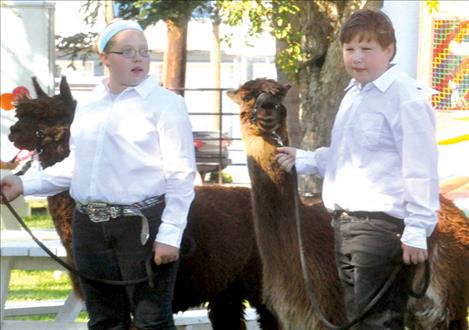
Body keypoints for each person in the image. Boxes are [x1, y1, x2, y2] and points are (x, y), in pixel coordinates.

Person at [1, 19, 197, 330]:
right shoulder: (91, 103)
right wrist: (24, 183)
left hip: (141, 227)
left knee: (151, 322)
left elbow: (181, 175)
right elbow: (77, 166)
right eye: (128, 51)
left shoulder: (167, 105)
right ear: (105, 58)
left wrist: (170, 235)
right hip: (88, 229)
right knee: (104, 321)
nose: (138, 58)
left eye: (144, 52)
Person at [276, 9, 439, 330]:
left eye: (367, 50)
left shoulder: (406, 98)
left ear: (389, 50)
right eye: (350, 50)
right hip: (344, 226)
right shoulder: (354, 94)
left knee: (375, 324)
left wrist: (418, 229)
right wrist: (305, 158)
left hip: (380, 230)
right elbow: (346, 156)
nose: (357, 58)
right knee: (357, 320)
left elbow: (421, 169)